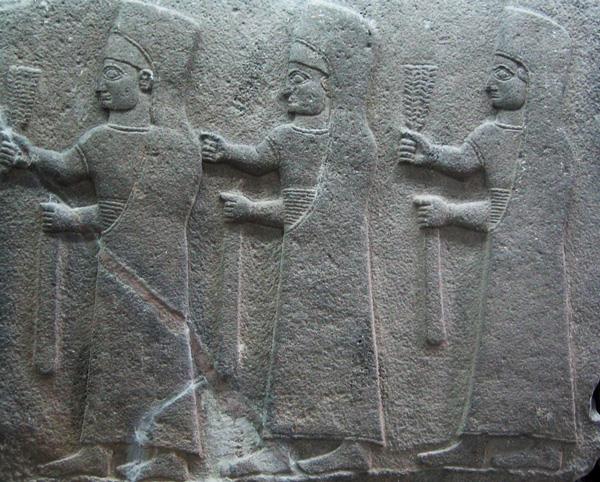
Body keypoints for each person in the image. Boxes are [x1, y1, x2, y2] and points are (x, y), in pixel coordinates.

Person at [0, 2, 203, 479]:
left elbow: (153, 212)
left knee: (159, 349)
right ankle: (101, 449)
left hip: (157, 271)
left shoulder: (177, 146)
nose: (99, 86)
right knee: (108, 353)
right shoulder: (99, 138)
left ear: (147, 81)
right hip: (112, 265)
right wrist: (23, 153)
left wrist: (75, 218)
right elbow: (63, 168)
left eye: (112, 74)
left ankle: (170, 456)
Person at [201, 1, 384, 478]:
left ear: (329, 85)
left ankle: (352, 446)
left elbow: (330, 215)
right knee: (292, 350)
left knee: (339, 349)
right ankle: (283, 445)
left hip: (336, 264)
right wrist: (225, 151)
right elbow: (258, 158)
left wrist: (254, 210)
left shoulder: (355, 143)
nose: (287, 91)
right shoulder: (287, 135)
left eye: (298, 79)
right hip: (300, 259)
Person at [401, 6, 576, 469]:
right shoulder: (490, 132)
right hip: (502, 265)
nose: (487, 85)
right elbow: (464, 162)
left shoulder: (552, 148)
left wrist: (451, 212)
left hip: (533, 271)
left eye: (501, 74)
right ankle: (477, 439)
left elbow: (520, 216)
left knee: (527, 350)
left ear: (531, 81)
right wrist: (429, 155)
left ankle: (544, 447)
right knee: (490, 353)